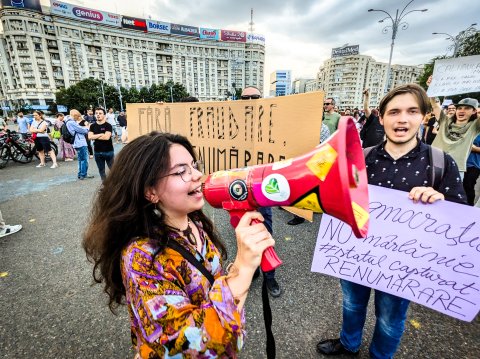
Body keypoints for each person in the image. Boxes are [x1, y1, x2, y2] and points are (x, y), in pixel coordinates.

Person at [82, 132, 274, 358]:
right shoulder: (141, 256)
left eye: (194, 165)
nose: (198, 175)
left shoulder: (194, 221)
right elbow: (190, 347)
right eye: (181, 171)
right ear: (150, 191)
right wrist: (243, 268)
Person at [316, 83, 466, 359]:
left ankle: (380, 356)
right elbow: (333, 198)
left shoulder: (441, 162)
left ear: (423, 117)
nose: (402, 119)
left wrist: (440, 201)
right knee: (351, 304)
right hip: (356, 253)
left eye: (411, 111)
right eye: (394, 111)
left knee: (389, 319)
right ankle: (349, 344)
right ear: (382, 117)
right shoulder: (360, 158)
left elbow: (460, 218)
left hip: (403, 266)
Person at [240, 85, 282, 297]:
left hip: (262, 191)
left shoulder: (272, 125)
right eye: (245, 98)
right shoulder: (233, 125)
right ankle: (253, 268)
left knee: (264, 233)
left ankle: (270, 277)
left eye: (254, 97)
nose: (250, 101)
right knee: (244, 234)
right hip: (238, 193)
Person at [287, 122, 331, 226]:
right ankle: (298, 211)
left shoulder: (323, 128)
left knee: (306, 188)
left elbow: (316, 145)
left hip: (316, 162)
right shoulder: (305, 126)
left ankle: (300, 215)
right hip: (305, 160)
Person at [88, 107, 114, 182]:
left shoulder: (108, 125)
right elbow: (89, 137)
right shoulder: (92, 126)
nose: (98, 115)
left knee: (113, 169)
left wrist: (95, 136)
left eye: (100, 113)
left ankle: (115, 184)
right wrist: (101, 134)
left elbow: (106, 137)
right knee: (101, 170)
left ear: (104, 115)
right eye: (96, 113)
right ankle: (105, 185)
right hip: (97, 151)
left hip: (108, 151)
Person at [67, 109, 94, 180]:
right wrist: (87, 128)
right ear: (75, 115)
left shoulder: (68, 121)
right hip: (80, 142)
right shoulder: (72, 122)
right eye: (78, 116)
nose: (78, 118)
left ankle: (80, 174)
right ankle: (83, 174)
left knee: (80, 160)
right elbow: (83, 130)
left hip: (76, 143)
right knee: (84, 159)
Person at [463, 133, 480, 205]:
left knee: (468, 185)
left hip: (474, 164)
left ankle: (469, 207)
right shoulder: (469, 129)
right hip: (461, 162)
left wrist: (472, 147)